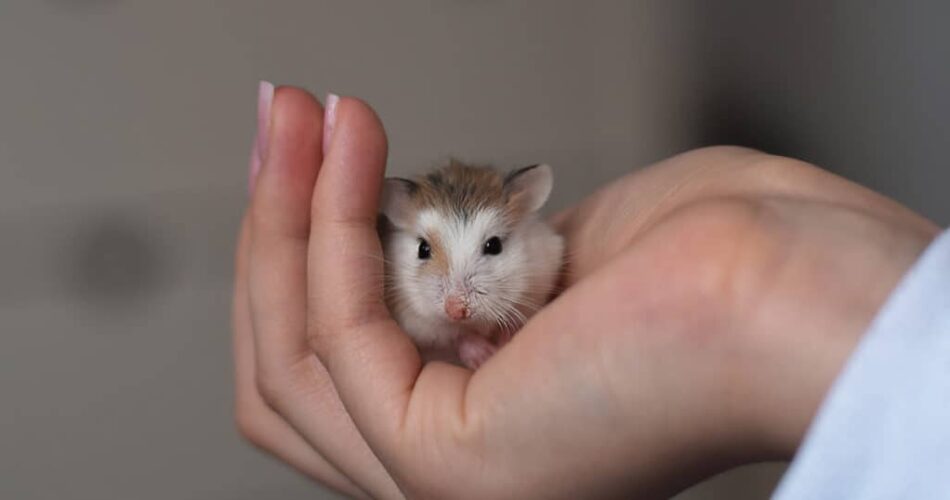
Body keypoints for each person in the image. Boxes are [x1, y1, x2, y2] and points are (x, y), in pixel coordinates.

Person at [232, 83, 946, 499]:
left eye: (489, 249)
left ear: (526, 210)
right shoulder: (392, 269)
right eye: (427, 254)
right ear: (401, 226)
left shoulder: (544, 248)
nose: (457, 294)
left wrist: (740, 288)